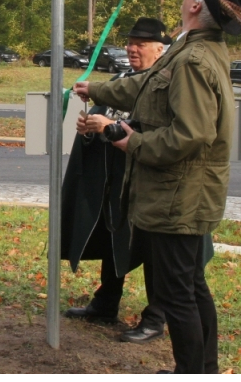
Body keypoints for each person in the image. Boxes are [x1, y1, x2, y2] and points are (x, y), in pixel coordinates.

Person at [74, 0, 241, 374]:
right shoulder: (192, 47)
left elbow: (190, 134)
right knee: (191, 286)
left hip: (180, 196)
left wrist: (126, 140)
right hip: (186, 193)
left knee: (176, 294)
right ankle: (202, 370)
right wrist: (98, 90)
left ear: (196, 4)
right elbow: (146, 87)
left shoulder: (193, 59)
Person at [61, 18, 170, 344]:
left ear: (159, 49)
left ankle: (156, 318)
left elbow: (162, 133)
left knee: (153, 249)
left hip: (150, 180)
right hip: (114, 181)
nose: (132, 49)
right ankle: (106, 303)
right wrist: (90, 131)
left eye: (141, 44)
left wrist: (109, 127)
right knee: (112, 239)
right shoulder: (123, 78)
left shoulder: (166, 82)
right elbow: (104, 115)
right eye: (130, 42)